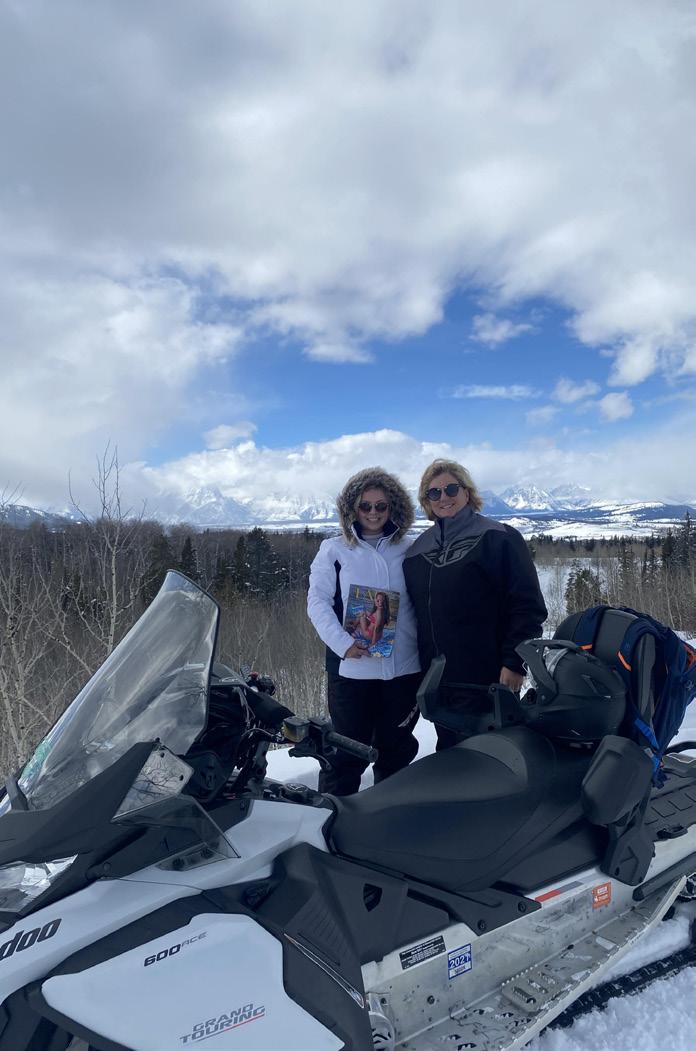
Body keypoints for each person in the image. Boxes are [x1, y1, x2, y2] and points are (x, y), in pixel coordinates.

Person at [403, 459, 547, 750]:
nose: (443, 497)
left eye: (451, 489)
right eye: (434, 492)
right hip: (438, 680)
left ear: (467, 492)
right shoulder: (416, 552)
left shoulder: (499, 537)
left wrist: (515, 662)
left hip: (489, 678)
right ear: (426, 501)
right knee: (450, 756)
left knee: (493, 756)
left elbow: (527, 606)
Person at [307, 468, 421, 794]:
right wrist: (343, 643)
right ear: (352, 509)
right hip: (352, 670)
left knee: (396, 751)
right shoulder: (334, 550)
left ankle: (390, 812)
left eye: (381, 506)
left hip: (403, 669)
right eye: (365, 506)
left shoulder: (411, 548)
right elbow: (317, 602)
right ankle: (333, 816)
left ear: (393, 507)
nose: (373, 513)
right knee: (344, 754)